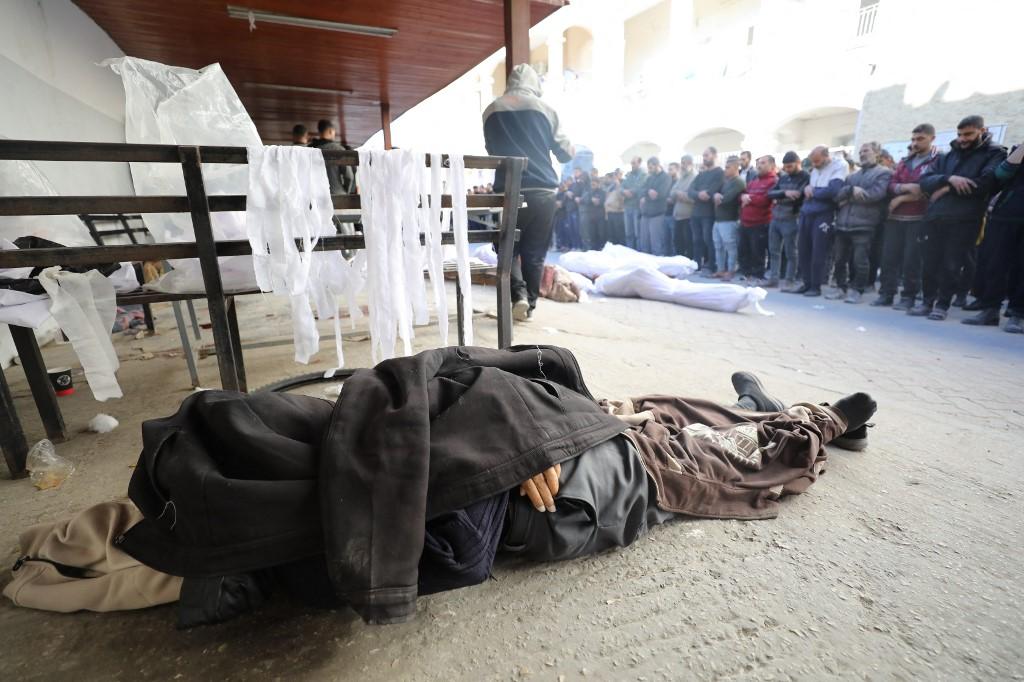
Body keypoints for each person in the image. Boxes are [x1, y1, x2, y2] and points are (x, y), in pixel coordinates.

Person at [6, 348, 878, 628]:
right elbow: (456, 379)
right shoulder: (605, 429)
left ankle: (804, 414)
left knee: (705, 440)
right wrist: (521, 435)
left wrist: (523, 440)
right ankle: (144, 533)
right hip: (572, 450)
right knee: (315, 459)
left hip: (584, 461)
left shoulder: (651, 452)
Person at [483, 64, 575, 322]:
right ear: (536, 83)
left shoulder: (492, 109)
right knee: (535, 252)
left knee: (508, 248)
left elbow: (492, 149)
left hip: (509, 191)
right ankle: (530, 306)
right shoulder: (546, 110)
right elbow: (565, 152)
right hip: (543, 191)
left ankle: (519, 296)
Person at [914, 115, 1007, 320]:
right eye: (960, 134)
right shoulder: (947, 156)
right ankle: (927, 302)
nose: (963, 139)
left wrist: (945, 188)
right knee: (930, 262)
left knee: (952, 264)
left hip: (966, 218)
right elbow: (924, 181)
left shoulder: (995, 154)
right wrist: (949, 179)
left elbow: (984, 184)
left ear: (982, 131)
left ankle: (942, 306)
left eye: (968, 134)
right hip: (936, 216)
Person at [874, 124, 939, 309]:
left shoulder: (938, 160)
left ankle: (908, 297)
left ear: (931, 138)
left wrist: (901, 197)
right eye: (913, 139)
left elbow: (925, 188)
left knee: (912, 259)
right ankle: (886, 294)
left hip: (919, 217)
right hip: (896, 217)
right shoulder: (905, 161)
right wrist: (904, 188)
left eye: (920, 139)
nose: (915, 143)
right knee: (889, 258)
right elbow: (892, 184)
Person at [962, 141, 1024, 332]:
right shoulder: (1018, 150)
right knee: (995, 264)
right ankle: (990, 310)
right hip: (1006, 214)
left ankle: (1017, 314)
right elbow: (1001, 175)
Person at [827, 142, 893, 304]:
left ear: (877, 154)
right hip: (843, 223)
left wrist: (849, 197)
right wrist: (850, 191)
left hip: (865, 224)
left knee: (860, 261)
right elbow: (837, 197)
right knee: (840, 260)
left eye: (866, 151)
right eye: (861, 151)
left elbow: (874, 196)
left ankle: (857, 290)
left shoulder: (884, 173)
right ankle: (840, 288)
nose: (862, 154)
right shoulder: (852, 176)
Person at [787, 146, 848, 296]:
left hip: (824, 212)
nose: (814, 165)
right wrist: (810, 188)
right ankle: (806, 283)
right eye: (812, 162)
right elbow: (811, 189)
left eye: (817, 161)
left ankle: (816, 286)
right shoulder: (814, 168)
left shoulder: (839, 165)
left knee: (818, 251)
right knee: (803, 249)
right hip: (808, 211)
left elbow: (833, 190)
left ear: (827, 156)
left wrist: (813, 192)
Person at [766, 151, 809, 289]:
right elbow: (770, 194)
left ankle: (789, 280)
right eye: (785, 167)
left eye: (790, 166)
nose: (787, 170)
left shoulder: (806, 177)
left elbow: (798, 195)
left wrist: (781, 196)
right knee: (774, 251)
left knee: (791, 252)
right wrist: (785, 193)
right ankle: (774, 279)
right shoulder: (784, 178)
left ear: (798, 163)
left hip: (792, 217)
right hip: (776, 217)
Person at [738, 155, 778, 283]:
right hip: (745, 221)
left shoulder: (774, 181)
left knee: (758, 252)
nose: (759, 166)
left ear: (771, 166)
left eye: (763, 163)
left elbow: (766, 199)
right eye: (758, 163)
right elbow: (743, 195)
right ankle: (745, 273)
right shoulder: (754, 181)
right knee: (744, 250)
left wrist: (750, 198)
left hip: (760, 222)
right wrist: (744, 197)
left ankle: (757, 275)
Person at [688, 147, 726, 274]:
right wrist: (698, 194)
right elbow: (690, 190)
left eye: (707, 155)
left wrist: (706, 193)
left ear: (715, 156)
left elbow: (714, 189)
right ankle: (696, 264)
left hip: (709, 213)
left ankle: (711, 265)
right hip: (696, 213)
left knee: (708, 240)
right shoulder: (701, 174)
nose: (704, 158)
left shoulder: (720, 172)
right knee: (696, 240)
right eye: (703, 155)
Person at [711, 156, 746, 279]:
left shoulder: (739, 182)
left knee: (730, 247)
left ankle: (731, 270)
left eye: (727, 167)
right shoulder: (727, 182)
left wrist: (718, 197)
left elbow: (727, 199)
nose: (725, 170)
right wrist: (716, 195)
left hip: (729, 220)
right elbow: (715, 195)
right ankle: (720, 269)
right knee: (718, 246)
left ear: (736, 168)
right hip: (719, 220)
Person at [308, 119, 357, 196]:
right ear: (331, 131)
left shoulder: (309, 150)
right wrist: (345, 190)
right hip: (337, 194)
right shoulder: (339, 149)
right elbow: (349, 176)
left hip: (316, 195)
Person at [638, 157, 673, 255]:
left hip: (657, 214)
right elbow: (641, 190)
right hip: (645, 214)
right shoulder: (649, 177)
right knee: (644, 244)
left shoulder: (666, 177)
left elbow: (661, 194)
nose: (649, 170)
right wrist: (648, 192)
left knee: (656, 245)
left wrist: (647, 195)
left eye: (651, 167)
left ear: (657, 165)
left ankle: (657, 269)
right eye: (648, 168)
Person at [671, 155, 696, 258]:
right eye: (682, 163)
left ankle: (689, 264)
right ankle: (680, 264)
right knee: (678, 241)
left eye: (684, 163)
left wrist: (684, 196)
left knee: (688, 242)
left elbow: (694, 196)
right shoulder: (681, 178)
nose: (682, 165)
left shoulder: (695, 178)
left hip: (688, 217)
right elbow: (672, 192)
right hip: (678, 217)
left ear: (690, 164)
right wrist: (678, 194)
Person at [621, 157, 647, 250]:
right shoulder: (629, 175)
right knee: (628, 233)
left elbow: (640, 187)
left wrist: (630, 191)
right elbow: (621, 187)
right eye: (631, 163)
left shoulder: (644, 175)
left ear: (639, 163)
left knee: (637, 234)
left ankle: (638, 253)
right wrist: (624, 192)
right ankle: (630, 253)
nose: (632, 165)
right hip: (627, 206)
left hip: (637, 207)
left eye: (634, 163)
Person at [580, 177, 607, 251]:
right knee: (592, 235)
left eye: (594, 183)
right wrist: (591, 200)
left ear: (598, 184)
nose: (593, 185)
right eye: (592, 183)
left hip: (600, 217)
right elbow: (583, 200)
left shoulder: (602, 192)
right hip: (591, 217)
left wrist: (595, 201)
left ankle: (601, 249)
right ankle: (593, 250)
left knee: (601, 234)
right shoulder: (588, 192)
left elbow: (601, 201)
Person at [661, 162, 681, 257]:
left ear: (677, 170)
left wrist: (670, 199)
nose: (669, 172)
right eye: (668, 169)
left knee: (674, 240)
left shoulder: (679, 182)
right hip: (665, 213)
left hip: (674, 214)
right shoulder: (667, 182)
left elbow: (676, 197)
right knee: (665, 239)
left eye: (671, 169)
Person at [604, 171, 626, 246]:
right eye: (613, 176)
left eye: (616, 176)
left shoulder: (622, 185)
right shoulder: (610, 187)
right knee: (612, 234)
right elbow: (606, 201)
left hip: (618, 213)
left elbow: (622, 199)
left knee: (619, 234)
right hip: (610, 213)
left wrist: (618, 186)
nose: (614, 178)